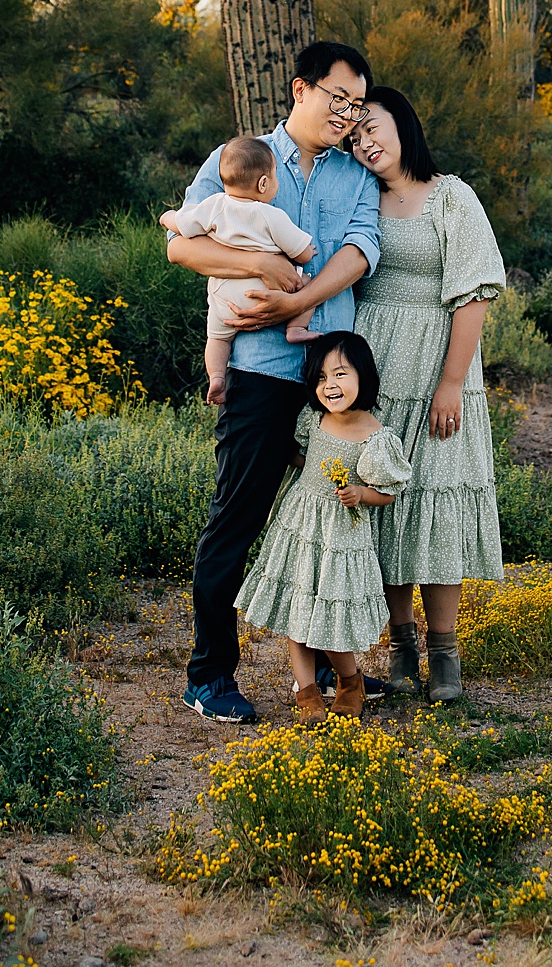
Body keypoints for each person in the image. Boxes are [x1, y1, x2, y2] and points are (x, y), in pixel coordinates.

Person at [166, 41, 381, 724]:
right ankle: (209, 677)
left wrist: (298, 301)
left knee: (331, 519)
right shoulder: (240, 157)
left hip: (332, 376)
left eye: (357, 105)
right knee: (239, 516)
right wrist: (261, 268)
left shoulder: (355, 173)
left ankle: (331, 669)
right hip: (259, 369)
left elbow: (361, 250)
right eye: (338, 98)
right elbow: (181, 244)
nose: (346, 114)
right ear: (300, 88)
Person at [352, 87, 505, 704]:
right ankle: (400, 649)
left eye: (372, 128)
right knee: (389, 507)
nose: (365, 143)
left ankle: (445, 656)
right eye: (354, 137)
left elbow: (473, 295)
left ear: (402, 124)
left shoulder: (451, 197)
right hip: (377, 373)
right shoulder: (359, 197)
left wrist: (451, 383)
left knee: (437, 509)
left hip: (439, 372)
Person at [235, 331, 411, 721]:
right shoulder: (314, 420)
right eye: (321, 378)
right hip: (300, 526)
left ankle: (349, 680)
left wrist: (360, 493)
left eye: (340, 374)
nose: (329, 385)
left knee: (331, 617)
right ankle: (307, 691)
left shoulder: (375, 436)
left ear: (364, 375)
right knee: (297, 609)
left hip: (340, 537)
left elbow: (388, 493)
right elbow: (304, 460)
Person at [160, 134, 321, 408]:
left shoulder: (213, 206)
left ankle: (216, 377)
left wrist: (167, 217)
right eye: (275, 178)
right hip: (266, 291)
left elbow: (182, 224)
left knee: (217, 339)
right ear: (263, 183)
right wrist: (309, 251)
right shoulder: (270, 214)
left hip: (225, 298)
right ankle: (296, 328)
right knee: (307, 283)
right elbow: (301, 253)